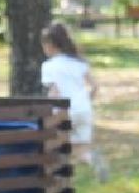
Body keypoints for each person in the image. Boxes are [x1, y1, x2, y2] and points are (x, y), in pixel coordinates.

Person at [40, 21, 105, 182]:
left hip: (63, 112)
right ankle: (93, 160)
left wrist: (48, 112)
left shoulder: (49, 66)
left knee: (57, 145)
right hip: (84, 110)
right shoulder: (79, 63)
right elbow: (95, 87)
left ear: (50, 45)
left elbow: (55, 93)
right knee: (81, 148)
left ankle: (59, 178)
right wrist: (85, 102)